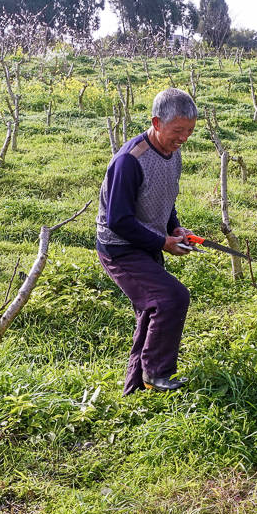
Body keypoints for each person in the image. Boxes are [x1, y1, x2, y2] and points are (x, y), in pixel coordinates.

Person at [95, 88, 198, 394]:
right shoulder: (129, 161)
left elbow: (164, 197)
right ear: (156, 122)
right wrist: (163, 242)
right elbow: (119, 220)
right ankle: (157, 373)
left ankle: (135, 391)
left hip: (148, 241)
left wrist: (175, 228)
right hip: (120, 248)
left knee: (152, 310)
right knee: (171, 298)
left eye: (190, 131)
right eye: (177, 131)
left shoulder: (173, 153)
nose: (183, 138)